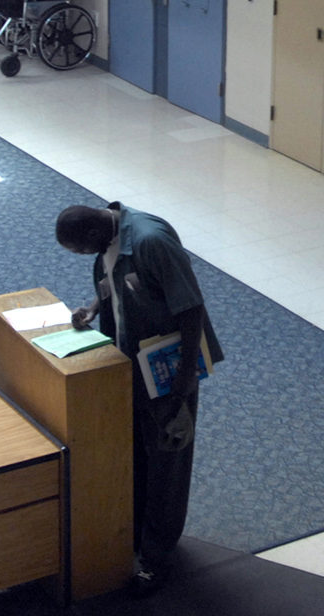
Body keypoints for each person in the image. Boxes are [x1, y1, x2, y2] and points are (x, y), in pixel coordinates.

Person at [57, 201, 225, 595]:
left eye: (82, 250)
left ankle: (157, 559)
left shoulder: (151, 242)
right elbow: (118, 282)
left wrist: (181, 392)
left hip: (168, 370)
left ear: (97, 233)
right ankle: (132, 533)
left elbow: (191, 310)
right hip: (131, 362)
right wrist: (95, 307)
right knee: (135, 454)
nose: (86, 257)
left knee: (167, 464)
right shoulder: (109, 238)